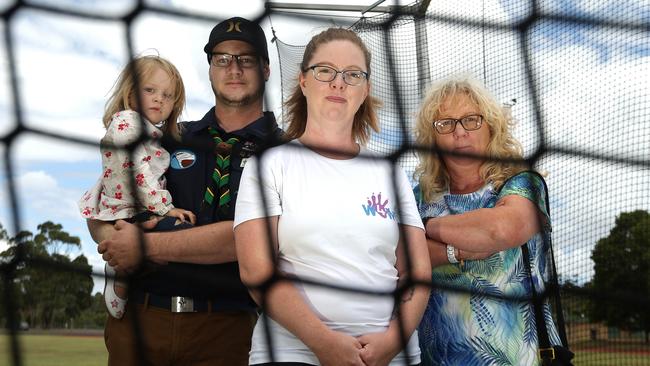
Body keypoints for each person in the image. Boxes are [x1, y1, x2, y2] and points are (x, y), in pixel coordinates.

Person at [87, 17, 283, 366]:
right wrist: (114, 239)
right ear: (209, 69)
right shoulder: (168, 137)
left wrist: (145, 245)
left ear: (266, 69)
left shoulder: (286, 151)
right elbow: (108, 197)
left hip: (226, 329)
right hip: (140, 320)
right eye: (221, 58)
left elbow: (258, 237)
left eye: (246, 59)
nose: (233, 68)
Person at [234, 28, 431, 366]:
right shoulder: (269, 166)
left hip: (389, 355)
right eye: (325, 71)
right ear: (303, 80)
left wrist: (391, 342)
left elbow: (417, 272)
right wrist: (324, 343)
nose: (338, 83)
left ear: (366, 88)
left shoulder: (391, 173)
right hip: (291, 352)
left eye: (353, 74)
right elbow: (257, 271)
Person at [412, 73, 563, 365]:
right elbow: (399, 253)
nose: (459, 132)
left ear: (491, 126)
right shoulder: (419, 197)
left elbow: (502, 228)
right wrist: (455, 250)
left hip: (520, 358)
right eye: (445, 123)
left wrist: (426, 229)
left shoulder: (520, 182)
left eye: (471, 119)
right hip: (438, 358)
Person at [78, 55, 196, 320]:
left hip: (138, 206)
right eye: (150, 90)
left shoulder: (150, 131)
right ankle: (118, 274)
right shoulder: (126, 123)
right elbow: (138, 172)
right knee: (170, 235)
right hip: (126, 208)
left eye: (168, 95)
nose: (159, 99)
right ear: (131, 93)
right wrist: (166, 209)